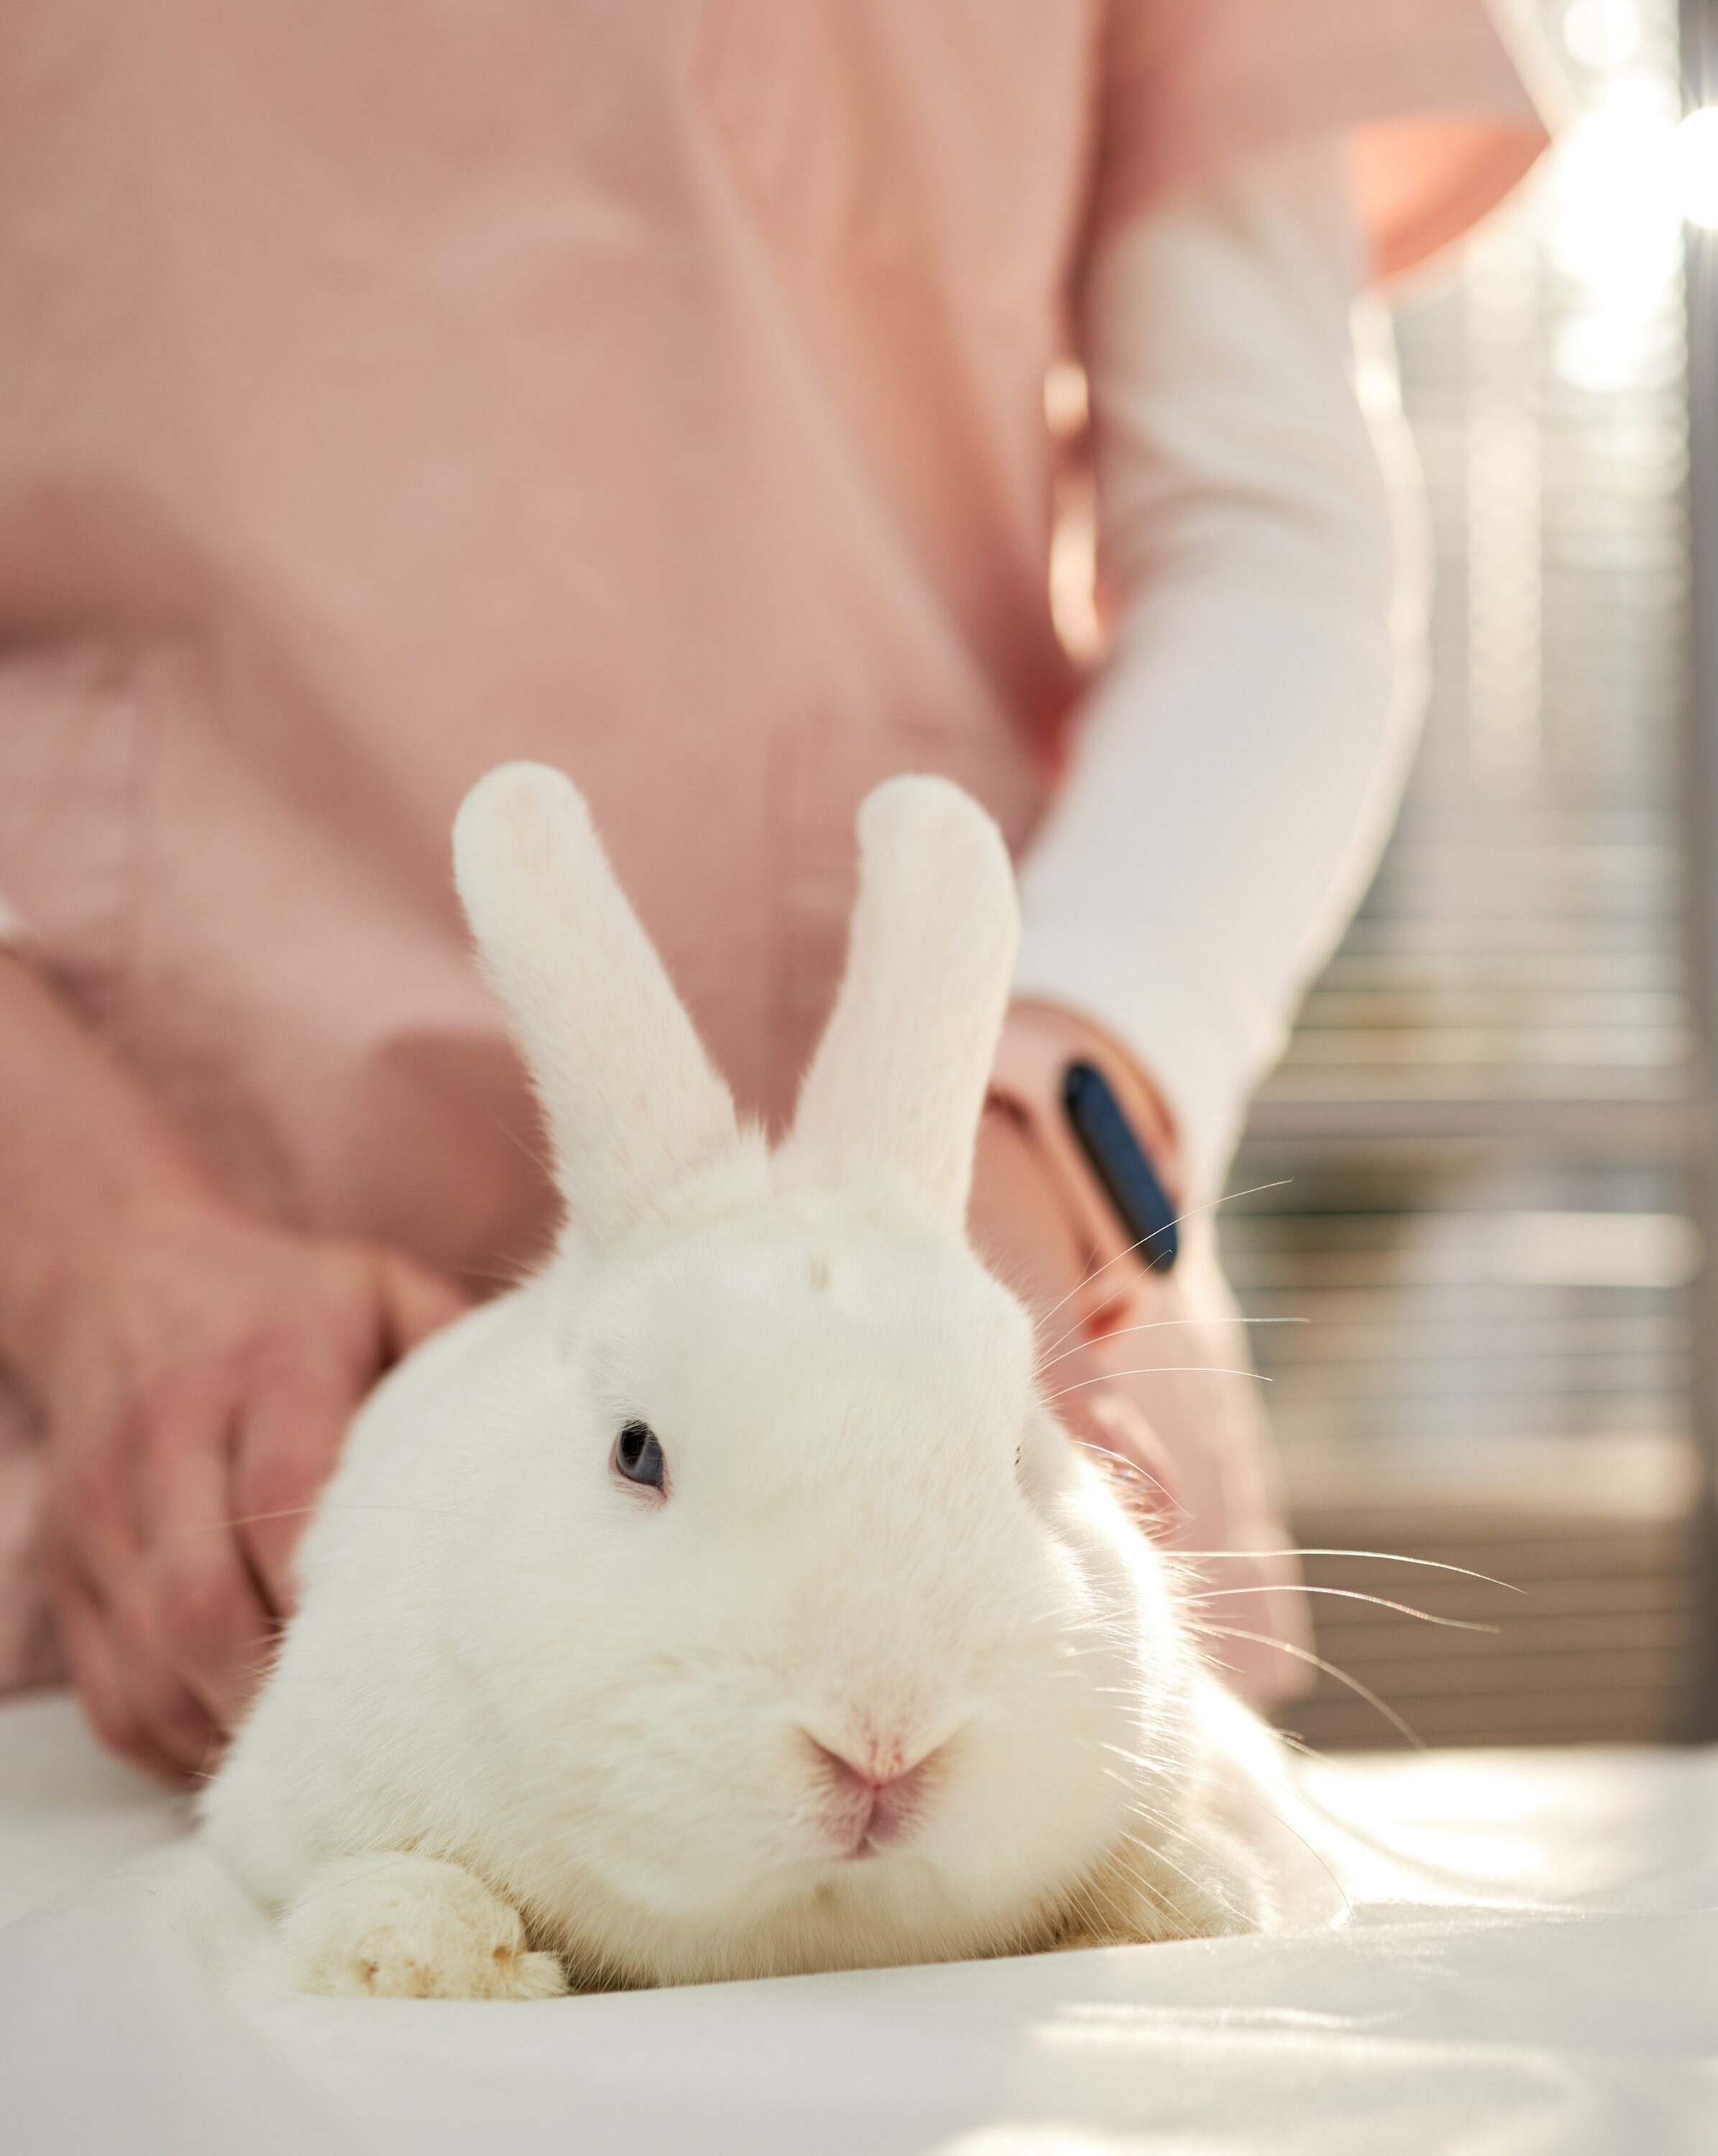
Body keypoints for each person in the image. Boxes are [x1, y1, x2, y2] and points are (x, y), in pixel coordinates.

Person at [0, 1, 1547, 1782]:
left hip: (969, 1382)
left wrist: (1038, 1146)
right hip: (123, 1448)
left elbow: (1268, 551)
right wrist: (91, 1248)